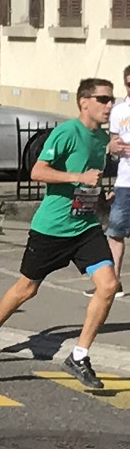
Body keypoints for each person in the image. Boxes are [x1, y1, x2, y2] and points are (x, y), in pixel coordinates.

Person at [0, 78, 119, 389]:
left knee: (108, 285)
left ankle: (79, 356)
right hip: (52, 228)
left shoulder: (100, 138)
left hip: (85, 226)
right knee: (27, 288)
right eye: (103, 99)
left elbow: (87, 184)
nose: (109, 105)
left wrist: (100, 201)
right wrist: (77, 176)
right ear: (84, 102)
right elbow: (37, 171)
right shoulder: (67, 132)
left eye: (111, 99)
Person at [97, 64, 130, 298]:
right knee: (115, 231)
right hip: (125, 180)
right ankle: (113, 282)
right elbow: (112, 143)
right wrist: (113, 147)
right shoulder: (119, 110)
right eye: (129, 83)